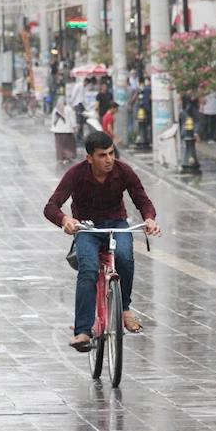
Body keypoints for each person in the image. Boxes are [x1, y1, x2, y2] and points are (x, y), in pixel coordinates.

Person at [43, 131, 161, 351]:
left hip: (116, 223)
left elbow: (142, 199)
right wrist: (65, 219)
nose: (109, 160)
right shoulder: (76, 174)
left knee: (125, 257)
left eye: (111, 153)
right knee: (88, 269)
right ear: (89, 158)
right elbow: (50, 207)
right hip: (86, 228)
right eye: (102, 155)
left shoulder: (124, 171)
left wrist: (149, 219)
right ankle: (83, 332)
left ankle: (125, 309)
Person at [51, 92, 77, 165]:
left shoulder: (55, 109)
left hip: (57, 131)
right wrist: (75, 127)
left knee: (59, 146)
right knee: (67, 145)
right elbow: (72, 120)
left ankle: (60, 159)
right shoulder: (68, 109)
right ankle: (67, 157)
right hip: (67, 131)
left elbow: (53, 120)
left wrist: (54, 127)